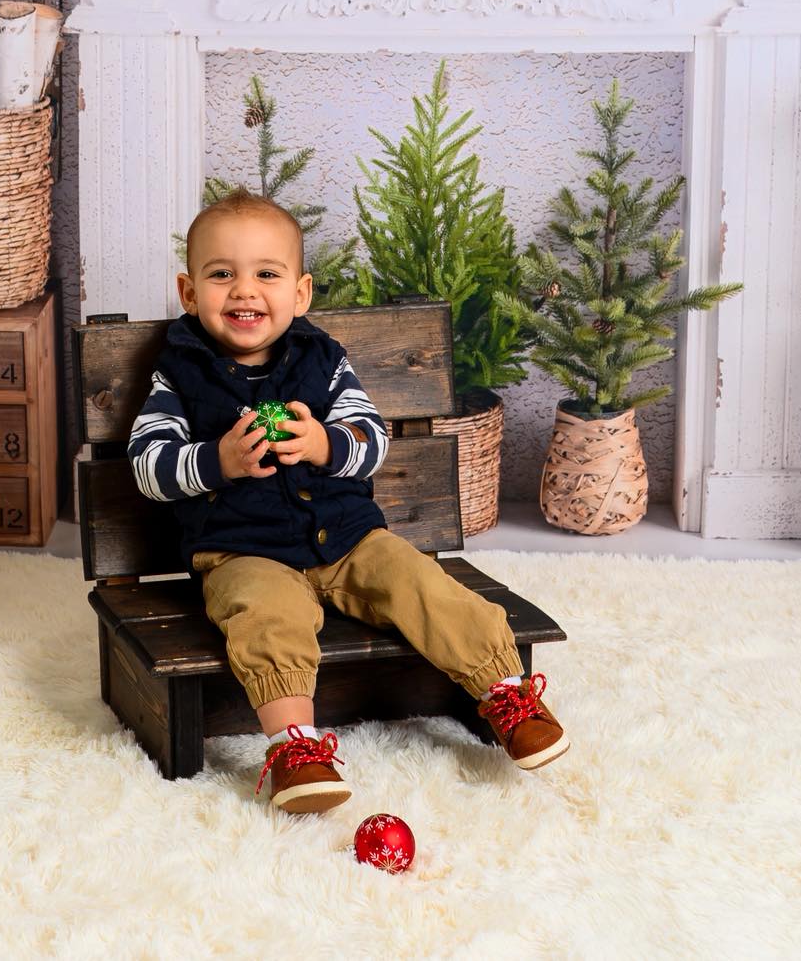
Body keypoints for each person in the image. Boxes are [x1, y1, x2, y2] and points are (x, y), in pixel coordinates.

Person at [128, 189, 568, 814]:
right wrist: (218, 461)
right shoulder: (178, 373)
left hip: (349, 535)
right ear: (189, 292)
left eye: (267, 274)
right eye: (221, 274)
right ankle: (296, 747)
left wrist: (321, 442)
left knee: (420, 582)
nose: (245, 291)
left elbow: (372, 441)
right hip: (241, 549)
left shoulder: (325, 361)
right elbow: (148, 466)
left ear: (300, 293)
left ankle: (504, 692)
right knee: (264, 617)